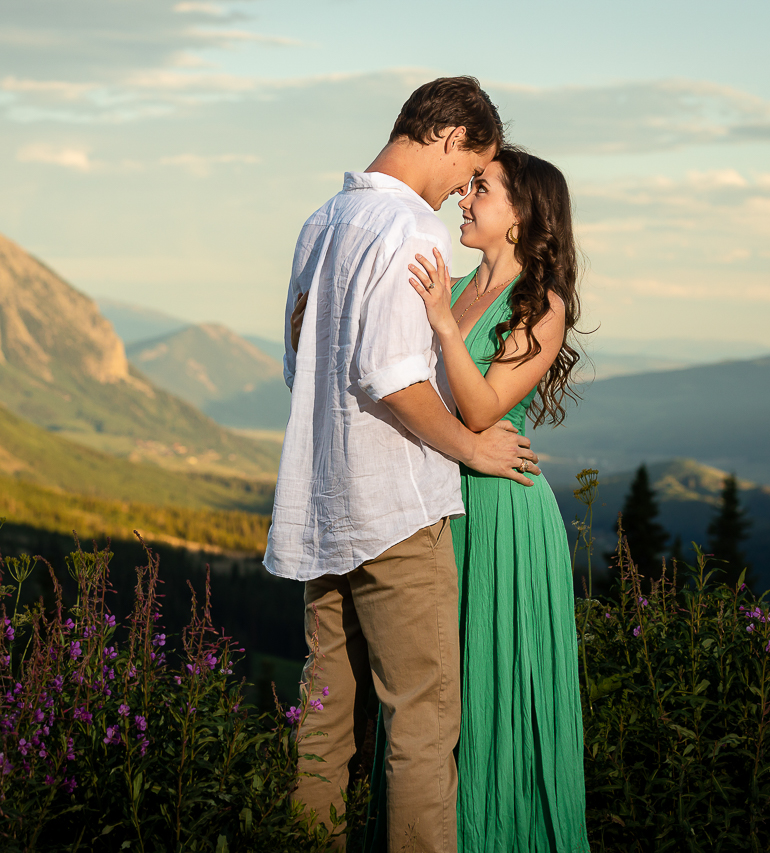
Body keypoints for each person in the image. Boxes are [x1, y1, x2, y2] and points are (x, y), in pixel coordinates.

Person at [264, 77, 541, 852]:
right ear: (450, 138)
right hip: (395, 511)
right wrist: (471, 445)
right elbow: (394, 377)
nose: (462, 188)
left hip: (322, 508)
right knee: (423, 723)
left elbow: (301, 365)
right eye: (470, 167)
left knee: (324, 727)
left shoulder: (321, 223)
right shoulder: (410, 228)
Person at [399, 144, 590, 851]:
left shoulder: (541, 306)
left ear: (520, 216)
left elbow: (481, 410)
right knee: (447, 688)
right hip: (447, 498)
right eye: (468, 183)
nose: (464, 196)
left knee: (496, 685)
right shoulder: (451, 284)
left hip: (506, 511)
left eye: (482, 187)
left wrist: (444, 326)